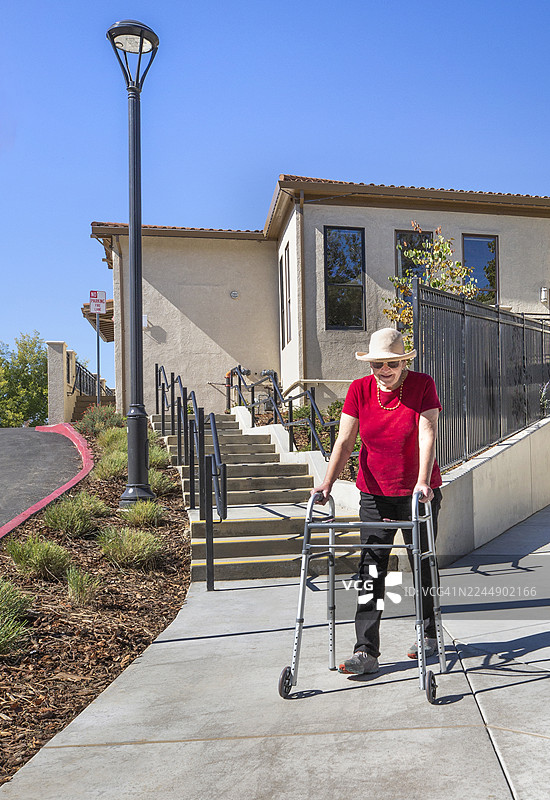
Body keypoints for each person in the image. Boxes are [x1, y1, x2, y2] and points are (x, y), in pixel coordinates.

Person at [312, 327, 443, 675]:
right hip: (374, 494)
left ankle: (430, 636)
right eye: (376, 365)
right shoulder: (359, 390)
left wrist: (421, 481)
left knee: (423, 564)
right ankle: (366, 651)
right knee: (371, 570)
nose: (383, 371)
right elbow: (344, 440)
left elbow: (427, 431)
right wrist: (326, 484)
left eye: (391, 364)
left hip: (418, 493)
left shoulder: (422, 385)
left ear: (403, 362)